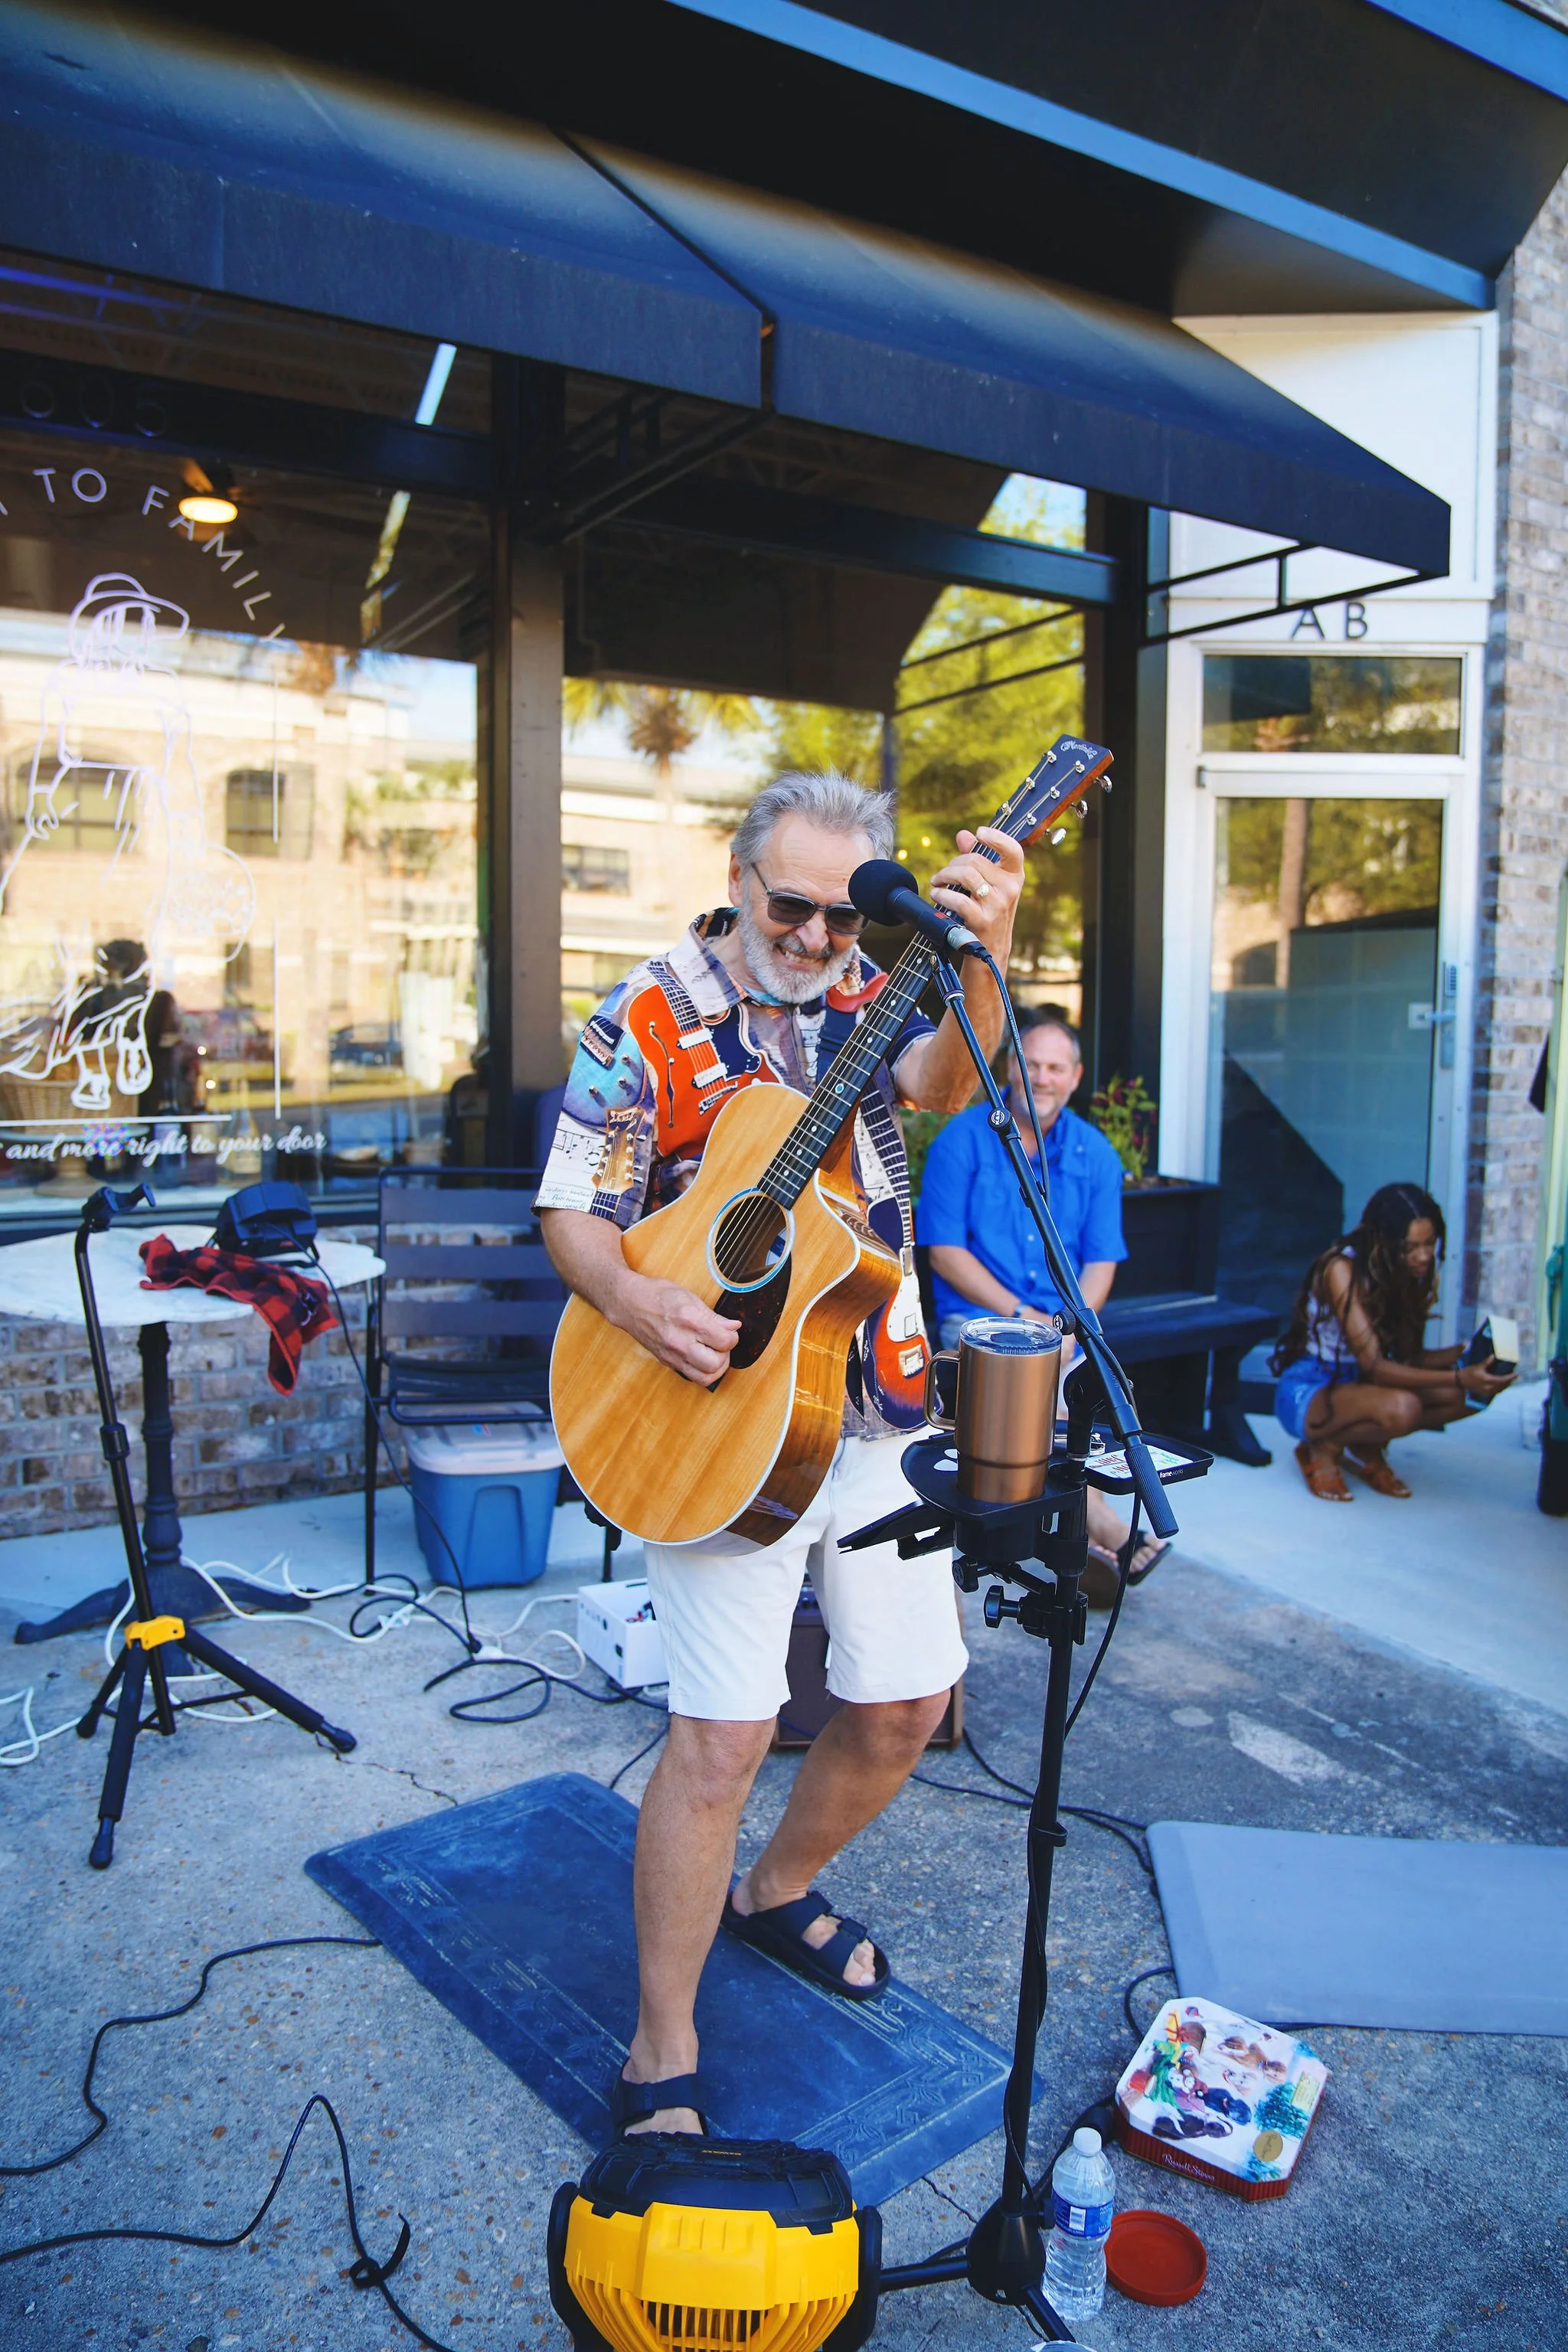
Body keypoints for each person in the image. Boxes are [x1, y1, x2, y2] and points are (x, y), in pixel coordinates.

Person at [537, 769, 1024, 2139]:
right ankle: (659, 2044)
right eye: (791, 906)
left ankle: (775, 1889)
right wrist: (639, 1299)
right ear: (740, 879)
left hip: (871, 1400)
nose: (816, 938)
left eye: (842, 914)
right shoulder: (639, 1014)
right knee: (721, 1738)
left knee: (905, 1704)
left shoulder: (875, 985)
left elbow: (943, 1076)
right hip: (705, 1416)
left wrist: (979, 954)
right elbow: (576, 1208)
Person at [916, 1006, 1166, 1581]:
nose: (1043, 1078)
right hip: (980, 1326)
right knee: (1044, 1397)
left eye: (1056, 1067)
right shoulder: (963, 1141)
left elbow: (1102, 1264)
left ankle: (1070, 1538)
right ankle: (1099, 1530)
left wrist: (1068, 1330)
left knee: (1083, 1403)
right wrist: (1029, 1324)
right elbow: (945, 1255)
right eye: (1032, 1064)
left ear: (1075, 1077)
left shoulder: (1096, 1154)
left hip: (1064, 1330)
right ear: (1009, 1067)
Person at [1271, 1181, 1516, 1501]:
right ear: (1382, 1243)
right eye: (1410, 1247)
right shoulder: (1341, 1268)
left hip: (1361, 1387)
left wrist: (1466, 1355)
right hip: (1312, 1388)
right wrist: (1457, 1375)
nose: (1424, 1256)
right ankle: (1322, 1447)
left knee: (1466, 1396)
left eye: (1429, 1244)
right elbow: (1374, 1366)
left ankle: (1363, 1445)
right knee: (1405, 1407)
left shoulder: (1398, 1271)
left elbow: (1407, 1359)